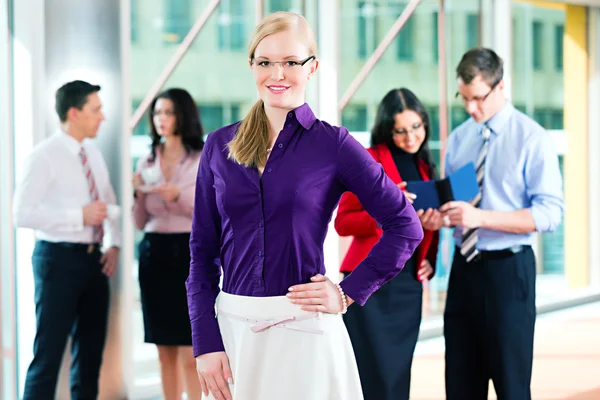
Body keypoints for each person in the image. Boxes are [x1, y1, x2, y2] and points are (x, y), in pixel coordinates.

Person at [186, 11, 424, 400]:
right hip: (232, 336)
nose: (277, 74)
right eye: (265, 62)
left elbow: (405, 225)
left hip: (306, 333)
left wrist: (347, 293)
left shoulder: (334, 145)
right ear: (252, 66)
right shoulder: (218, 145)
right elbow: (201, 253)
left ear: (311, 68)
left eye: (291, 62)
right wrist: (206, 343)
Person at [440, 48, 564, 400]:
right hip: (464, 271)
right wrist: (441, 217)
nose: (470, 108)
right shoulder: (460, 140)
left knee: (511, 386)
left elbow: (549, 213)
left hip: (510, 272)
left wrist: (480, 218)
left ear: (500, 87)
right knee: (460, 386)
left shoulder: (531, 138)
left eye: (477, 98)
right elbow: (459, 202)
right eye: (463, 98)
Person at [13, 80, 121, 400]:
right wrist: (79, 216)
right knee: (48, 355)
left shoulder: (93, 154)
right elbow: (22, 215)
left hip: (94, 261)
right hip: (57, 261)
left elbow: (109, 202)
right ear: (74, 113)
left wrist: (113, 243)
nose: (102, 116)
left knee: (90, 358)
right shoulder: (43, 156)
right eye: (96, 110)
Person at [335, 88, 442, 400]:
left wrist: (430, 256)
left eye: (417, 127)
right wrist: (386, 211)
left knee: (397, 377)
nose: (411, 137)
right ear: (387, 129)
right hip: (368, 285)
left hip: (407, 285)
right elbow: (343, 222)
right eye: (401, 131)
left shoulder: (424, 166)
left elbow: (419, 227)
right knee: (367, 376)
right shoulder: (368, 160)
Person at [132, 88, 204, 400]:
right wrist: (137, 194)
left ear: (182, 116)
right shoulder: (147, 159)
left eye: (168, 112)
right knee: (163, 349)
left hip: (189, 252)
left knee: (191, 349)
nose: (161, 119)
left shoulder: (201, 158)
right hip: (154, 253)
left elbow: (211, 208)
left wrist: (179, 196)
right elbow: (138, 221)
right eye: (157, 113)